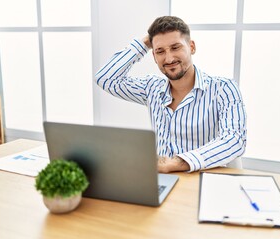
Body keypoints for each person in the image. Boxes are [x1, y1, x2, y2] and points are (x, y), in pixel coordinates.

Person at [95, 16, 246, 173]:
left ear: (192, 47)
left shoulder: (224, 88)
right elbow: (105, 78)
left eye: (175, 47)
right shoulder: (151, 88)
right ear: (153, 56)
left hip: (201, 181)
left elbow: (234, 140)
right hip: (161, 181)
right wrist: (146, 42)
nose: (169, 58)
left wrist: (178, 163)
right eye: (160, 51)